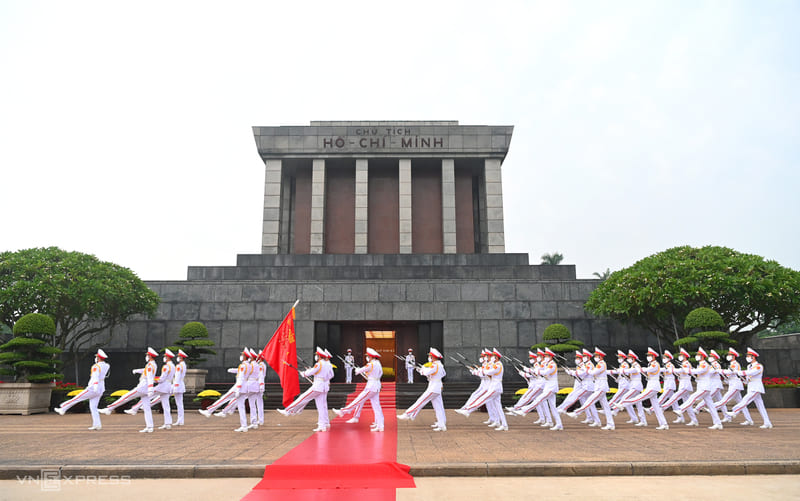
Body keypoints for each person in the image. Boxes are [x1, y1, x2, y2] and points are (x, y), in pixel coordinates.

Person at [99, 347, 158, 433]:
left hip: (143, 387)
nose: (146, 356)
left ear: (150, 356)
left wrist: (150, 388)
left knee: (126, 397)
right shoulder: (152, 364)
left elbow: (150, 377)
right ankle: (150, 427)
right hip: (146, 387)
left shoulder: (150, 365)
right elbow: (146, 371)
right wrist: (137, 371)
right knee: (147, 408)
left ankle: (109, 408)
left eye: (147, 355)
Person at [277, 347, 334, 432]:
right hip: (324, 386)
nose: (316, 356)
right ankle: (324, 424)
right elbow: (331, 375)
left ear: (319, 356)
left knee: (302, 398)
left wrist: (303, 373)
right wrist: (321, 377)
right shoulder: (328, 364)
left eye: (317, 355)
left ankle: (288, 411)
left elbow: (310, 372)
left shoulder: (319, 364)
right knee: (322, 406)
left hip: (317, 386)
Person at [54, 349, 110, 430]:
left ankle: (63, 408)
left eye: (97, 357)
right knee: (93, 407)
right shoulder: (107, 365)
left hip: (93, 387)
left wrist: (95, 386)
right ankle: (97, 424)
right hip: (101, 388)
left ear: (98, 358)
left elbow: (95, 377)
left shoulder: (96, 366)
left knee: (77, 398)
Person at [614, 347, 668, 430]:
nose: (648, 357)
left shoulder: (655, 364)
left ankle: (622, 404)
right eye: (648, 355)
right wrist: (641, 370)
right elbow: (648, 373)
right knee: (656, 407)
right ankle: (664, 424)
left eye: (649, 355)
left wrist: (641, 369)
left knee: (639, 398)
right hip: (651, 385)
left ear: (653, 356)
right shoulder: (651, 364)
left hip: (653, 387)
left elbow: (649, 369)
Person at [455, 348, 508, 431]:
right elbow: (487, 372)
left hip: (495, 387)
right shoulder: (496, 364)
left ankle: (468, 410)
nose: (491, 357)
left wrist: (479, 371)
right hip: (494, 386)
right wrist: (479, 371)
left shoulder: (498, 365)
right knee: (498, 407)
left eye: (493, 356)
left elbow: (489, 372)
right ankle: (504, 425)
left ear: (496, 357)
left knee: (483, 398)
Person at [332, 347, 384, 432]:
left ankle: (343, 411)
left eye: (368, 356)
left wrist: (357, 370)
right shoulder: (378, 363)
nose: (367, 357)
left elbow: (361, 370)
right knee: (376, 406)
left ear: (371, 356)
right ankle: (380, 425)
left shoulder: (371, 364)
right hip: (376, 385)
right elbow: (378, 373)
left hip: (371, 387)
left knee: (358, 400)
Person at [511, 348, 563, 431]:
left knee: (539, 399)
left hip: (551, 386)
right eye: (544, 356)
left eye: (546, 356)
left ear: (551, 356)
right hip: (547, 385)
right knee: (552, 407)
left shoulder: (552, 364)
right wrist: (530, 370)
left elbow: (544, 372)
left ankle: (524, 410)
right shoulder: (546, 364)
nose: (545, 357)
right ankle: (559, 424)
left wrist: (536, 371)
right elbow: (538, 370)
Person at [398, 348, 447, 431]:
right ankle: (442, 424)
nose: (429, 357)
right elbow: (442, 374)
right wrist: (422, 370)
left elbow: (426, 372)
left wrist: (422, 370)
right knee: (438, 407)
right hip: (437, 386)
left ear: (433, 357)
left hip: (433, 388)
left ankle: (407, 414)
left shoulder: (435, 365)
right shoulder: (440, 365)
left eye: (430, 356)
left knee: (420, 401)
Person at [568, 347, 615, 430]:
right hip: (599, 386)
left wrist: (585, 370)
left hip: (601, 387)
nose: (595, 357)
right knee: (605, 406)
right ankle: (610, 424)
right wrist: (585, 369)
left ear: (600, 356)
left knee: (590, 400)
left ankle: (576, 413)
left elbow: (593, 372)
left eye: (596, 356)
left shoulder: (601, 364)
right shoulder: (599, 364)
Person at [676, 347, 723, 430]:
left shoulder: (704, 364)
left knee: (693, 397)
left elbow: (698, 371)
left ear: (702, 356)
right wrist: (690, 371)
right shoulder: (701, 364)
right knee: (711, 406)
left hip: (704, 387)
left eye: (698, 355)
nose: (697, 356)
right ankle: (718, 423)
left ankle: (681, 409)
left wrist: (688, 370)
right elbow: (699, 374)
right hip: (702, 386)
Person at [725, 347, 772, 429]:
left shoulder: (758, 366)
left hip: (756, 387)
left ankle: (735, 411)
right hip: (751, 386)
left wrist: (738, 372)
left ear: (753, 357)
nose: (747, 357)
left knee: (745, 400)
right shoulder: (749, 366)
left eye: (748, 356)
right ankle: (767, 422)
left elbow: (751, 373)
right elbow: (748, 376)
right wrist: (744, 380)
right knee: (760, 406)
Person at [713, 348, 753, 425]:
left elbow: (729, 372)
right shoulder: (731, 364)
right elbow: (728, 375)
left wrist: (719, 370)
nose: (728, 356)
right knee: (741, 403)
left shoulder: (735, 364)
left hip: (735, 385)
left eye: (730, 355)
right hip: (733, 384)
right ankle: (749, 420)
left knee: (725, 399)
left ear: (733, 356)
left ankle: (712, 407)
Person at [660, 348, 698, 425]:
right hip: (682, 383)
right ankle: (694, 420)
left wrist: (673, 370)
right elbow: (679, 372)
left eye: (681, 355)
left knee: (675, 396)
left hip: (685, 384)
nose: (680, 357)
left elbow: (682, 371)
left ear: (685, 356)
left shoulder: (686, 364)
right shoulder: (683, 364)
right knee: (687, 403)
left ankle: (664, 407)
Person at [153, 348, 176, 430]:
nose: (164, 358)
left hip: (163, 385)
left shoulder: (166, 366)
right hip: (168, 385)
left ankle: (137, 407)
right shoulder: (173, 366)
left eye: (165, 357)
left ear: (168, 357)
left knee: (148, 394)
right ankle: (167, 423)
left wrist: (153, 379)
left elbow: (162, 378)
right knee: (166, 405)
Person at [172, 349, 188, 426]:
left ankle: (180, 420)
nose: (177, 357)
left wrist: (175, 386)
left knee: (179, 403)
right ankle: (180, 420)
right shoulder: (183, 365)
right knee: (179, 404)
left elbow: (177, 376)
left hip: (177, 385)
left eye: (178, 356)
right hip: (180, 384)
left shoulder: (179, 366)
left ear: (181, 357)